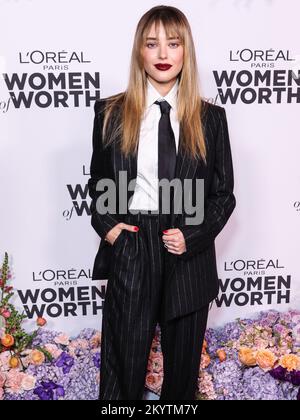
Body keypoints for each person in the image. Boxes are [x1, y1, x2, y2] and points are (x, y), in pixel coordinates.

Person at [88, 5, 236, 400]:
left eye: (173, 43)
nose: (163, 54)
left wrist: (195, 234)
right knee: (122, 371)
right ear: (140, 52)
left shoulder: (211, 119)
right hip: (133, 245)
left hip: (188, 252)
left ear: (186, 50)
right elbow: (98, 182)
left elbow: (224, 194)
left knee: (182, 378)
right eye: (152, 44)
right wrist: (111, 230)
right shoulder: (111, 114)